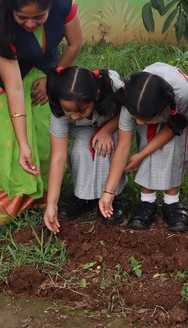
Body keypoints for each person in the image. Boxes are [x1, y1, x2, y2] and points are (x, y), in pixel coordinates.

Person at [0, 0, 83, 228]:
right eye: (22, 18)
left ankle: (36, 195)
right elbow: (14, 87)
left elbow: (75, 44)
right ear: (10, 8)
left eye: (39, 18)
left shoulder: (64, 0)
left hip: (41, 64)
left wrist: (52, 78)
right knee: (2, 133)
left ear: (51, 6)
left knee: (42, 124)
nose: (30, 24)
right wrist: (22, 143)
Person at [98, 64, 188, 232]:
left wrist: (140, 156)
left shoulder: (183, 96)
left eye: (144, 119)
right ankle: (147, 201)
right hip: (148, 104)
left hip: (176, 115)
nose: (139, 123)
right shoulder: (131, 100)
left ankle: (171, 202)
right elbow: (123, 146)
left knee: (173, 148)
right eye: (135, 118)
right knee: (146, 138)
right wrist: (109, 192)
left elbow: (173, 129)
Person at [43, 66, 126, 233]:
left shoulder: (112, 88)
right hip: (82, 129)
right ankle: (82, 196)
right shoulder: (58, 111)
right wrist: (51, 205)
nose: (73, 116)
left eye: (81, 110)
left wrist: (108, 130)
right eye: (68, 111)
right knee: (81, 149)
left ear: (96, 95)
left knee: (105, 148)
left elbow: (127, 113)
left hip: (111, 124)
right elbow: (58, 157)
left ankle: (112, 195)